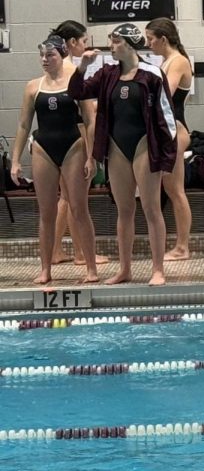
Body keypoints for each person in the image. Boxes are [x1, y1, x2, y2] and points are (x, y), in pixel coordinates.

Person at [70, 24, 176, 286]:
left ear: (129, 44)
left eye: (115, 41)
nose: (110, 45)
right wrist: (82, 67)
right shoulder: (107, 74)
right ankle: (125, 269)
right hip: (116, 148)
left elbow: (167, 118)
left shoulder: (152, 75)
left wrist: (166, 154)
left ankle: (158, 269)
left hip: (144, 146)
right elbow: (77, 92)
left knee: (151, 209)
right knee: (124, 210)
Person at [11, 36, 101, 285]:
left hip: (73, 145)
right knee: (46, 212)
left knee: (78, 209)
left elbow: (90, 121)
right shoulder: (33, 87)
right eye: (42, 55)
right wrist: (16, 160)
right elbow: (23, 124)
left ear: (61, 55)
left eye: (50, 55)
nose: (44, 60)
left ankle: (91, 269)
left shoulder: (76, 85)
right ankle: (45, 270)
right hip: (42, 147)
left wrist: (92, 156)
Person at [47, 20, 109, 268]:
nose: (86, 46)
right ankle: (82, 253)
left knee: (65, 198)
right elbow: (88, 117)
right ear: (72, 43)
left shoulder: (52, 66)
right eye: (84, 42)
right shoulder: (73, 70)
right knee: (75, 199)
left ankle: (55, 251)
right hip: (74, 136)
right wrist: (92, 152)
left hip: (53, 135)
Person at [146, 18, 193, 261]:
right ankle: (178, 244)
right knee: (170, 189)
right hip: (167, 132)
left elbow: (164, 95)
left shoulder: (178, 62)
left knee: (175, 190)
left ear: (163, 39)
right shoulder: (166, 62)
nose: (148, 43)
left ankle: (183, 247)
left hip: (175, 131)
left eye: (150, 39)